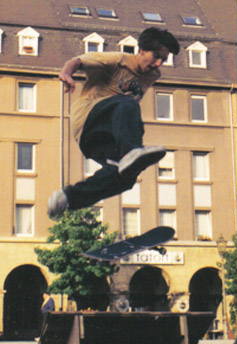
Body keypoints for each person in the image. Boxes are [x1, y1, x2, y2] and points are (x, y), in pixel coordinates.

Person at [47, 28, 181, 220]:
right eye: (156, 56)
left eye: (164, 60)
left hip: (102, 140)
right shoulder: (118, 59)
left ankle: (67, 199)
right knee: (126, 103)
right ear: (142, 50)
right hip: (90, 120)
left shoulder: (152, 75)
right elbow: (77, 61)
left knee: (124, 177)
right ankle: (130, 151)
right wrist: (66, 74)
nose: (158, 64)